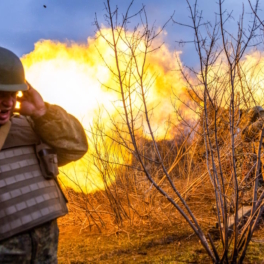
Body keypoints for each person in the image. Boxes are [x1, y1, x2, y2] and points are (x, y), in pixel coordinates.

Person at [0, 47, 88, 263]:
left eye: (13, 94)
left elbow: (76, 147)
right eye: (0, 94)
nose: (9, 103)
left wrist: (41, 113)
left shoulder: (29, 126)